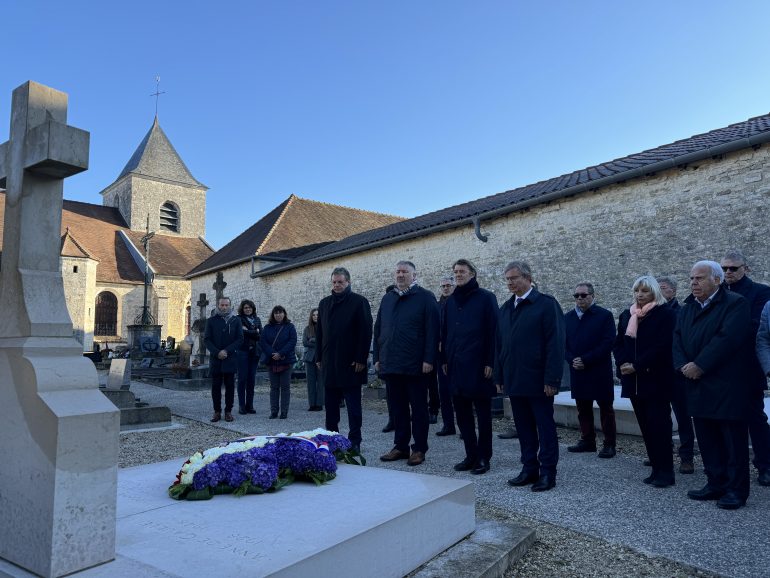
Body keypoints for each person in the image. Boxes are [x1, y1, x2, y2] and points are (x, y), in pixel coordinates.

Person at [673, 260, 752, 509]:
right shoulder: (687, 308)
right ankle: (715, 482)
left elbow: (727, 339)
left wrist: (700, 365)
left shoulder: (735, 303)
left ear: (717, 280)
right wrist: (683, 366)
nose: (693, 283)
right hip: (696, 384)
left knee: (732, 441)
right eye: (691, 278)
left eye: (699, 278)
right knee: (707, 439)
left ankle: (736, 490)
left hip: (726, 385)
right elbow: (677, 339)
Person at [495, 261, 564, 492]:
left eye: (514, 278)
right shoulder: (506, 308)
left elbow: (555, 344)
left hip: (538, 381)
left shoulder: (546, 304)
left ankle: (548, 472)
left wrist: (552, 379)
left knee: (545, 428)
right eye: (507, 279)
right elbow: (500, 345)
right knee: (523, 428)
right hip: (515, 379)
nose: (510, 283)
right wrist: (499, 376)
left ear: (528, 277)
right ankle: (529, 468)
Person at [613, 276, 677, 488]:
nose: (639, 295)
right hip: (633, 380)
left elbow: (663, 346)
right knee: (646, 427)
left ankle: (666, 471)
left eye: (644, 291)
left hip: (656, 379)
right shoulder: (627, 315)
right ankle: (656, 468)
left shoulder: (665, 314)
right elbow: (619, 343)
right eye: (637, 291)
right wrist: (623, 362)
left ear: (654, 292)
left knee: (660, 426)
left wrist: (637, 365)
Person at [375, 260, 440, 466]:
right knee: (398, 408)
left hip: (416, 364)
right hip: (391, 363)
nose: (400, 275)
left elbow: (433, 330)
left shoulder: (425, 297)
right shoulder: (388, 298)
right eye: (398, 272)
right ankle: (400, 446)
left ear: (414, 275)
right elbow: (379, 329)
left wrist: (429, 358)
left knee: (419, 409)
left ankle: (419, 448)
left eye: (405, 272)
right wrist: (377, 357)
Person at [441, 259, 498, 475]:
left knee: (483, 415)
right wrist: (444, 359)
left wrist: (490, 361)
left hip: (479, 365)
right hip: (455, 365)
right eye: (455, 271)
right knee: (463, 415)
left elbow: (494, 331)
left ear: (472, 274)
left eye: (462, 271)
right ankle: (470, 454)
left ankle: (483, 456)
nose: (458, 274)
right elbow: (445, 333)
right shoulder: (450, 302)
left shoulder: (486, 298)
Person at [720, 250, 770, 486]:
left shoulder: (761, 292)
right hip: (719, 367)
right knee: (724, 418)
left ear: (745, 269)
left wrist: (721, 335)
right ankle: (728, 466)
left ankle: (765, 465)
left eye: (733, 268)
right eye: (724, 268)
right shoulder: (717, 292)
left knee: (755, 418)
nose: (728, 272)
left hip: (747, 367)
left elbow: (755, 328)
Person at [316, 267, 373, 452]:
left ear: (348, 282)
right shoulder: (324, 303)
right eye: (334, 282)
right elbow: (320, 333)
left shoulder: (359, 302)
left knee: (353, 407)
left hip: (351, 363)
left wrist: (361, 358)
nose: (337, 285)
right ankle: (332, 439)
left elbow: (366, 331)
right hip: (329, 362)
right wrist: (318, 356)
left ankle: (355, 440)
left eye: (340, 282)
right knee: (331, 407)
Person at [564, 282, 617, 458]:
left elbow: (608, 342)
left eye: (583, 295)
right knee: (583, 408)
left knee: (606, 408)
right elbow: (563, 344)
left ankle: (609, 444)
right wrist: (572, 359)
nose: (579, 298)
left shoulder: (604, 316)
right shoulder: (568, 317)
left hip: (598, 370)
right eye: (576, 295)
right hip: (577, 370)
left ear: (592, 296)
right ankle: (587, 441)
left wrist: (586, 359)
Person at [656, 276, 694, 474]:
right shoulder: (651, 313)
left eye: (663, 288)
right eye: (657, 288)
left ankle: (686, 457)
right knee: (660, 416)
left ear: (673, 291)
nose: (659, 291)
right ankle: (663, 453)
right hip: (658, 372)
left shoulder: (682, 312)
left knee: (683, 417)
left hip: (677, 372)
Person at [204, 296, 244, 423]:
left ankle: (228, 411)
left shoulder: (236, 320)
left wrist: (226, 351)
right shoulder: (211, 321)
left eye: (226, 305)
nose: (224, 307)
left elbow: (240, 339)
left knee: (230, 386)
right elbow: (207, 339)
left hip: (230, 358)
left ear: (230, 306)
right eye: (222, 305)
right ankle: (217, 411)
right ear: (218, 305)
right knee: (216, 386)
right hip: (216, 359)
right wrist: (217, 352)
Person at [260, 306, 297, 419]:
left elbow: (292, 341)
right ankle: (274, 411)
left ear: (284, 314)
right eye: (276, 313)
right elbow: (263, 342)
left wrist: (280, 353)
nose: (278, 315)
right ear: (273, 315)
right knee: (274, 387)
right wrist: (272, 353)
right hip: (272, 360)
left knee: (285, 387)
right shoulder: (267, 328)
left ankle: (284, 412)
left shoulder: (290, 327)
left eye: (280, 313)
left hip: (286, 360)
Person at [436, 275, 457, 437]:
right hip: (441, 354)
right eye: (443, 286)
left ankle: (464, 426)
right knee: (443, 391)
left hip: (457, 353)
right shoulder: (437, 306)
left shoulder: (459, 303)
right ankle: (448, 425)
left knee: (460, 392)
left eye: (448, 285)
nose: (445, 288)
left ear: (453, 286)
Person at [236, 299, 262, 415]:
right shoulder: (238, 319)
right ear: (242, 309)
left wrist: (248, 331)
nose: (248, 309)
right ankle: (241, 406)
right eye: (246, 308)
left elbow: (261, 335)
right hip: (242, 352)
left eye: (250, 307)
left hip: (254, 353)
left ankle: (249, 405)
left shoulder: (257, 319)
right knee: (242, 379)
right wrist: (254, 331)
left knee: (251, 379)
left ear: (253, 309)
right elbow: (240, 333)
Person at [303, 308, 324, 411]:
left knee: (321, 382)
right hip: (309, 358)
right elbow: (304, 342)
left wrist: (312, 340)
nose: (316, 316)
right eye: (314, 315)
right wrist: (317, 341)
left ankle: (319, 404)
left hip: (321, 358)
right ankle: (312, 404)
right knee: (310, 382)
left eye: (317, 315)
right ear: (311, 317)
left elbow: (325, 342)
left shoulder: (324, 327)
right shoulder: (307, 329)